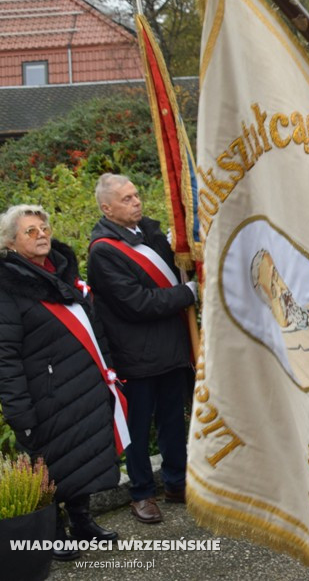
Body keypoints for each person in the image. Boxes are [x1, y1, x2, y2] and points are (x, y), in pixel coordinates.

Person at [0, 204, 120, 561]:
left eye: (44, 228)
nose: (41, 235)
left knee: (79, 456)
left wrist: (108, 372)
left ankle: (83, 522)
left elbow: (94, 328)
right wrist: (19, 411)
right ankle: (52, 532)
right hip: (44, 395)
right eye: (30, 231)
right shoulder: (7, 288)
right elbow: (4, 356)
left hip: (82, 386)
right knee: (49, 465)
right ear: (10, 243)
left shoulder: (64, 273)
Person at [87, 173, 197, 525]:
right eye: (126, 199)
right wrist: (189, 293)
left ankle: (177, 483)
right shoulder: (104, 251)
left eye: (136, 195)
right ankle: (141, 493)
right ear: (107, 208)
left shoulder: (149, 232)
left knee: (172, 421)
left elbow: (173, 271)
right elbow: (138, 303)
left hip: (171, 347)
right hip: (136, 355)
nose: (136, 202)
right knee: (138, 428)